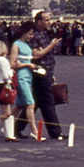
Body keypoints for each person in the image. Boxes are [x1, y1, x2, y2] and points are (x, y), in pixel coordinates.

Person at [14, 10, 63, 140]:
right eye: (46, 20)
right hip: (39, 72)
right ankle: (55, 132)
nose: (49, 22)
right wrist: (51, 46)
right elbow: (36, 55)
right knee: (48, 102)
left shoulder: (44, 33)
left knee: (36, 102)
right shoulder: (35, 35)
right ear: (39, 21)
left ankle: (16, 128)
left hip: (45, 71)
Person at [9, 21, 42, 142]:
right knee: (30, 104)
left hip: (28, 77)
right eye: (30, 33)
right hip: (21, 77)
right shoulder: (16, 45)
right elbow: (12, 64)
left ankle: (6, 127)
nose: (31, 36)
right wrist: (27, 64)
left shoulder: (27, 45)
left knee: (19, 106)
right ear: (23, 32)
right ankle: (35, 131)